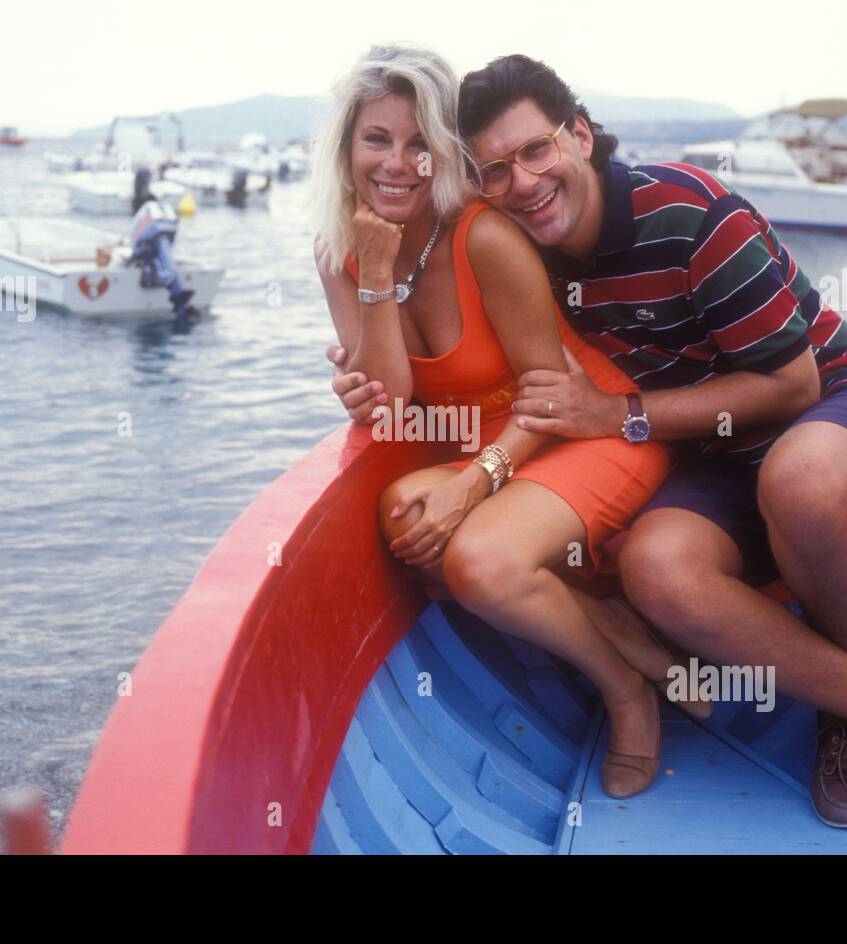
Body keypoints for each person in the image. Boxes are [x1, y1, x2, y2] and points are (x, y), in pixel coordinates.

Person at [331, 54, 847, 840]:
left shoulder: (688, 210)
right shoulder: (527, 239)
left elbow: (791, 386)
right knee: (656, 567)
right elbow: (450, 367)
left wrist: (616, 415)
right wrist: (367, 367)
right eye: (494, 170)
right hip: (707, 450)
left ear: (580, 135)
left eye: (536, 151)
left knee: (803, 480)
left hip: (837, 398)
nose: (521, 182)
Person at [313, 44, 702, 799]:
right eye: (377, 139)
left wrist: (476, 482)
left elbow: (552, 388)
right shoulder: (344, 253)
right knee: (401, 510)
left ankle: (626, 694)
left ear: (444, 155)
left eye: (421, 143)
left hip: (577, 426)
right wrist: (378, 278)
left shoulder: (484, 236)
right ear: (346, 147)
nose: (397, 163)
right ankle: (614, 625)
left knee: (480, 562)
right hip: (499, 444)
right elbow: (391, 405)